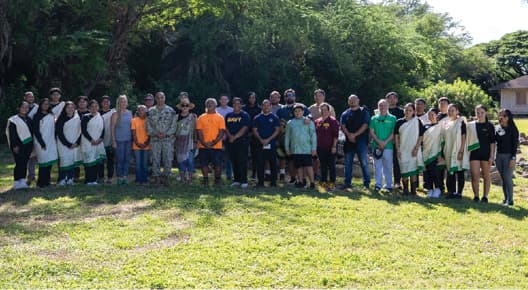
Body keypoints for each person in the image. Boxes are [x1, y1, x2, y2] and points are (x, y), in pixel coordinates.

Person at [276, 88, 311, 183]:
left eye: (292, 95)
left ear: (294, 97)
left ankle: (302, 179)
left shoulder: (301, 106)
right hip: (284, 138)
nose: (290, 97)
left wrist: (308, 118)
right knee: (289, 159)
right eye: (288, 95)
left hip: (299, 139)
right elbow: (277, 123)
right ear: (285, 97)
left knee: (299, 159)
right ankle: (293, 178)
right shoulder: (281, 110)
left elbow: (310, 115)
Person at [340, 94, 371, 189]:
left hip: (361, 141)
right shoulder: (345, 113)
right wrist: (349, 135)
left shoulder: (364, 111)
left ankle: (366, 184)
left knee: (364, 163)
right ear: (348, 101)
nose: (352, 101)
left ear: (358, 100)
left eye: (354, 99)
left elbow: (365, 125)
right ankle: (347, 183)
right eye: (350, 100)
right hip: (349, 142)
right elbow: (342, 125)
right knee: (348, 163)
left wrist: (354, 135)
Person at [466, 105, 496, 203]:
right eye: (477, 113)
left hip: (486, 154)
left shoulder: (490, 126)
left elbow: (492, 142)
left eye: (482, 112)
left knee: (486, 175)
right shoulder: (471, 125)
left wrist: (492, 156)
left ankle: (485, 196)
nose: (480, 114)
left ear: (486, 113)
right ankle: (476, 196)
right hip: (474, 153)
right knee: (475, 175)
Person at [147, 92, 177, 186]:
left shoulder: (170, 110)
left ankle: (166, 178)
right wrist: (155, 133)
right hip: (155, 139)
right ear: (156, 99)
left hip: (167, 140)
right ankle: (156, 178)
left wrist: (166, 134)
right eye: (158, 98)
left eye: (162, 97)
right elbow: (148, 125)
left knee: (167, 159)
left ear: (165, 98)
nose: (160, 99)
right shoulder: (151, 111)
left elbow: (174, 125)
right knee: (155, 159)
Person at [394, 103, 425, 195]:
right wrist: (398, 149)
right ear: (404, 110)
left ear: (414, 111)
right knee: (404, 169)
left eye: (410, 110)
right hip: (403, 149)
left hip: (414, 149)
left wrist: (416, 148)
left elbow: (421, 136)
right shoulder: (399, 122)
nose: (408, 112)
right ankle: (405, 190)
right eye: (406, 110)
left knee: (413, 171)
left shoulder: (417, 121)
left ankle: (413, 191)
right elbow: (396, 137)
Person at [285, 104, 317, 189]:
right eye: (295, 111)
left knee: (308, 166)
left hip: (307, 148)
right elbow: (287, 137)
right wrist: (287, 148)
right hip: (295, 149)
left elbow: (313, 136)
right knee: (298, 166)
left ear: (303, 112)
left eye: (299, 111)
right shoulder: (290, 123)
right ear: (293, 112)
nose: (297, 112)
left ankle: (312, 183)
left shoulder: (308, 122)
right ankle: (301, 182)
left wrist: (314, 148)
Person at [196, 98, 226, 187]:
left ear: (215, 105)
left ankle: (217, 180)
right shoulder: (201, 117)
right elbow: (199, 131)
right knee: (204, 164)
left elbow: (221, 132)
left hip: (216, 146)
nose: (210, 105)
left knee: (217, 164)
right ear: (206, 105)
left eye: (212, 103)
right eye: (208, 103)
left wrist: (213, 143)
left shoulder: (220, 117)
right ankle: (205, 180)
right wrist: (204, 143)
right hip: (203, 145)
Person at [442, 103, 468, 198]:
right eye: (449, 110)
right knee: (450, 172)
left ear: (457, 111)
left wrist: (461, 150)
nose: (450, 112)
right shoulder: (446, 123)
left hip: (458, 150)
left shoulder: (461, 122)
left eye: (452, 110)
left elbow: (463, 136)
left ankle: (459, 193)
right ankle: (451, 192)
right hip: (448, 150)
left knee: (460, 172)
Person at [370, 99, 397, 192]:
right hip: (376, 146)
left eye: (384, 105)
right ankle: (378, 185)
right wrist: (378, 142)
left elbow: (394, 133)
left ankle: (389, 185)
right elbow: (371, 132)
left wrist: (385, 142)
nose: (382, 107)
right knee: (377, 166)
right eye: (380, 106)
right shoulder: (374, 118)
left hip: (388, 146)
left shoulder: (393, 118)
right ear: (378, 107)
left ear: (387, 106)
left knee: (388, 166)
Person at [252, 99, 281, 187]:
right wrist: (261, 140)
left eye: (268, 105)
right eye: (264, 105)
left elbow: (277, 130)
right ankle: (260, 182)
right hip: (259, 144)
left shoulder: (275, 117)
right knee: (260, 163)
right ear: (262, 106)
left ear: (271, 107)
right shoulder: (257, 118)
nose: (266, 107)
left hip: (271, 144)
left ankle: (273, 182)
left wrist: (268, 139)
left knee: (273, 163)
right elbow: (254, 130)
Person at [6, 101, 33, 189]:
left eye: (27, 107)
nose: (25, 109)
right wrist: (15, 146)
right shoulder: (13, 119)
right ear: (19, 108)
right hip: (18, 145)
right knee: (19, 163)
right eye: (23, 107)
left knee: (25, 162)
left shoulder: (29, 119)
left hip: (28, 144)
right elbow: (12, 134)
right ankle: (16, 182)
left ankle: (22, 181)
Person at [32, 98, 59, 187]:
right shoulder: (37, 116)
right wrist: (42, 143)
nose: (46, 105)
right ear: (41, 105)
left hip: (51, 141)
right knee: (43, 162)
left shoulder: (51, 115)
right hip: (40, 142)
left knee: (49, 162)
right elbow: (36, 130)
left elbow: (54, 129)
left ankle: (47, 182)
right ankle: (40, 183)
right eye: (44, 104)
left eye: (47, 104)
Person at [225, 97, 251, 188]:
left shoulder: (245, 115)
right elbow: (226, 128)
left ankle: (244, 181)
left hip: (242, 141)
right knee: (234, 160)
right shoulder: (228, 115)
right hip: (230, 142)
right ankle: (237, 180)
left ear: (241, 105)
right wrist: (230, 137)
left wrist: (235, 137)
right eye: (235, 103)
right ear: (232, 105)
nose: (236, 105)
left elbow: (245, 128)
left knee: (242, 161)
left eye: (238, 103)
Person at [495, 109, 519, 206]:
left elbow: (515, 145)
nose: (502, 118)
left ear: (509, 117)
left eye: (504, 116)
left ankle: (511, 200)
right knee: (503, 178)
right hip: (498, 156)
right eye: (500, 116)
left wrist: (513, 158)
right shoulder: (497, 128)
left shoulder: (513, 129)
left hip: (509, 156)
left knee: (508, 177)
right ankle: (505, 199)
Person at [56, 101, 82, 186]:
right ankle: (62, 179)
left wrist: (77, 142)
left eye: (72, 107)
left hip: (75, 144)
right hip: (63, 144)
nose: (70, 109)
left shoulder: (77, 118)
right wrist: (68, 144)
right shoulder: (61, 119)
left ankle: (70, 179)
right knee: (64, 160)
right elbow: (59, 133)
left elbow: (80, 132)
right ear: (65, 109)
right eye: (68, 107)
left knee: (72, 160)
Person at [81, 100, 106, 185]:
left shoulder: (100, 117)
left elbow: (103, 130)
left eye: (96, 106)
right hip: (88, 142)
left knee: (96, 162)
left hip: (98, 142)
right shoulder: (86, 117)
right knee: (89, 162)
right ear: (89, 108)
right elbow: (84, 130)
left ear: (98, 108)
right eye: (92, 107)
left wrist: (100, 139)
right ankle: (88, 180)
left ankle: (94, 179)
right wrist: (91, 139)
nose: (94, 108)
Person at [315, 103, 339, 191]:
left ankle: (332, 183)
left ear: (329, 111)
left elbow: (336, 135)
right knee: (323, 165)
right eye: (322, 110)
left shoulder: (333, 121)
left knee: (331, 165)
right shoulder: (317, 121)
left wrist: (334, 146)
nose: (323, 111)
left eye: (325, 110)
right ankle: (323, 182)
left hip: (330, 147)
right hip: (320, 147)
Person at [111, 95, 132, 185]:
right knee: (120, 160)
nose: (123, 103)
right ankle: (119, 177)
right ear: (118, 103)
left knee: (127, 160)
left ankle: (124, 177)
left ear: (127, 103)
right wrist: (113, 141)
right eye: (121, 101)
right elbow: (112, 128)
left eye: (125, 101)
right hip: (119, 140)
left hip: (128, 140)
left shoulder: (130, 113)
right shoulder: (115, 114)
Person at [174, 98, 197, 184]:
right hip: (179, 141)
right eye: (183, 105)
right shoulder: (176, 117)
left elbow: (195, 130)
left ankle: (190, 179)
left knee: (190, 161)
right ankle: (183, 179)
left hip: (190, 141)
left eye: (187, 105)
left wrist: (195, 141)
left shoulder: (193, 117)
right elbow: (174, 130)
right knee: (181, 161)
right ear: (180, 107)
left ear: (189, 107)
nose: (185, 107)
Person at [422, 108, 443, 198]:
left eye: (432, 114)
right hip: (426, 152)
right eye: (429, 115)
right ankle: (430, 189)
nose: (430, 116)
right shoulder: (425, 127)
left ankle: (438, 189)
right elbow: (422, 140)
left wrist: (440, 154)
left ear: (436, 115)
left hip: (436, 153)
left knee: (436, 172)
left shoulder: (441, 127)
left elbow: (442, 141)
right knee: (427, 172)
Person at [385, 92, 404, 189]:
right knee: (386, 161)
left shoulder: (401, 112)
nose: (392, 100)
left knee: (396, 162)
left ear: (396, 100)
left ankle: (397, 182)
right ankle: (387, 181)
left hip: (397, 140)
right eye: (390, 98)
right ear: (386, 100)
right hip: (384, 140)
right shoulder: (383, 110)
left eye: (394, 98)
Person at [243, 91, 261, 180]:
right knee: (244, 155)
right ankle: (243, 174)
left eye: (253, 98)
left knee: (255, 156)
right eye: (250, 97)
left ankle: (254, 174)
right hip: (244, 134)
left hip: (255, 135)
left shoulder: (259, 109)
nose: (252, 99)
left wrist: (254, 132)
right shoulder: (243, 109)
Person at [131, 105, 150, 185]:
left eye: (143, 110)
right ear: (138, 112)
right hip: (136, 146)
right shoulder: (134, 120)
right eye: (140, 110)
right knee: (138, 164)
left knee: (145, 164)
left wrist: (146, 143)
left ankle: (145, 180)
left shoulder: (148, 121)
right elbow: (133, 133)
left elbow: (150, 133)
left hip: (146, 145)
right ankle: (138, 180)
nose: (142, 112)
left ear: (146, 111)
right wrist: (137, 143)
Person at [216, 94, 234, 181]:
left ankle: (229, 174)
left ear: (228, 100)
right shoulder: (216, 110)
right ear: (219, 101)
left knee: (229, 157)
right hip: (217, 136)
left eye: (225, 99)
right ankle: (217, 175)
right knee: (217, 157)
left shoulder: (232, 110)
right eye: (222, 100)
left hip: (228, 136)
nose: (223, 101)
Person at [73, 96, 89, 182]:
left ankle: (88, 176)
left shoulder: (91, 113)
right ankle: (76, 177)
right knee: (76, 158)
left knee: (87, 158)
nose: (82, 103)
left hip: (87, 139)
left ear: (87, 103)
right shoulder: (73, 113)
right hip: (76, 139)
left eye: (84, 101)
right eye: (80, 102)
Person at [23, 91, 38, 185]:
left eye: (32, 97)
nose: (30, 98)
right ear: (25, 98)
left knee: (35, 156)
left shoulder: (37, 107)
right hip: (25, 134)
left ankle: (33, 175)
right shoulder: (23, 107)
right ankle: (27, 176)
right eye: (28, 97)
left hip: (36, 133)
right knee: (28, 156)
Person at [100, 96, 115, 183]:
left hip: (110, 138)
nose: (106, 103)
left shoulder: (113, 112)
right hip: (99, 140)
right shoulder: (97, 113)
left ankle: (110, 177)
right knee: (100, 160)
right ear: (101, 103)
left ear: (110, 103)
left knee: (110, 160)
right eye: (104, 102)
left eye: (107, 101)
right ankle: (101, 177)